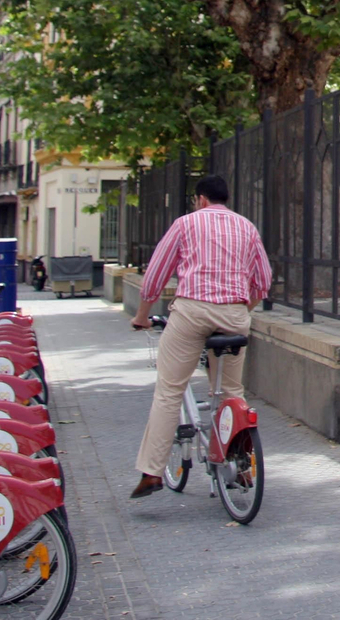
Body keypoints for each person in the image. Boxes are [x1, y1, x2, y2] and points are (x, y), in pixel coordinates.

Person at [128, 175, 272, 499]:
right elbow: (262, 281)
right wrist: (240, 307)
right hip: (234, 315)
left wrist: (141, 315)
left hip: (192, 312)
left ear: (201, 200)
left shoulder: (185, 224)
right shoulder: (246, 227)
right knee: (232, 391)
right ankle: (242, 465)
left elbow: (155, 274)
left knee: (169, 390)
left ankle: (152, 472)